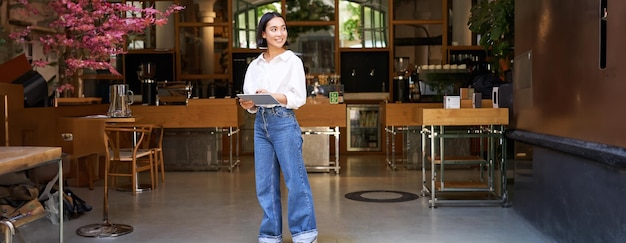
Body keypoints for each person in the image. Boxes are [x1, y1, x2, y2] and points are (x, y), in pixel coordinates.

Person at [238, 12, 318, 243]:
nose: (280, 33)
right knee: (265, 183)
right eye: (273, 29)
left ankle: (304, 232)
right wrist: (248, 103)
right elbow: (249, 101)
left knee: (295, 180)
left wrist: (273, 96)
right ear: (263, 33)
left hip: (283, 121)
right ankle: (271, 234)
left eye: (282, 28)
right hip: (260, 124)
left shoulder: (292, 61)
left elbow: (298, 97)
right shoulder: (256, 64)